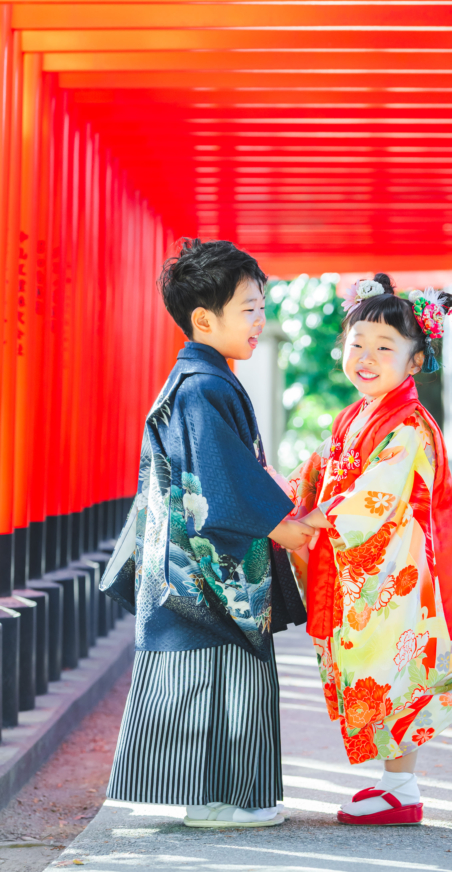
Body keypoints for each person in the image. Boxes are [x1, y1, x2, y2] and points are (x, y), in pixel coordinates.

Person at [284, 274, 452, 826]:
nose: (367, 357)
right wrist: (281, 496)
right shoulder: (355, 417)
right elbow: (321, 471)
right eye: (357, 343)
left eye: (385, 347)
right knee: (375, 679)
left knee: (395, 675)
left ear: (415, 361)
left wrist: (312, 518)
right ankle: (399, 785)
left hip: (390, 573)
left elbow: (375, 496)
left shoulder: (408, 425)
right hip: (362, 574)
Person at [101, 239, 314, 829]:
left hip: (187, 564)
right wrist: (284, 527)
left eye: (261, 306)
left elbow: (229, 470)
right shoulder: (201, 387)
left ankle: (218, 797)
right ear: (204, 319)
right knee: (222, 675)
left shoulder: (201, 380)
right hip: (205, 573)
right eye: (249, 308)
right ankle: (217, 800)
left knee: (206, 675)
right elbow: (220, 476)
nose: (260, 320)